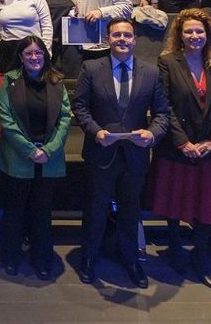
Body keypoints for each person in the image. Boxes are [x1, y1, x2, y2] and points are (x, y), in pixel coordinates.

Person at [72, 18, 170, 289]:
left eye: (127, 35)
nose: (122, 39)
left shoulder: (151, 72)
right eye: (117, 35)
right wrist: (95, 132)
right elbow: (80, 107)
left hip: (135, 156)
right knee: (95, 209)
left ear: (135, 40)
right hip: (100, 152)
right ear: (109, 39)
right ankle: (89, 259)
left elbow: (162, 114)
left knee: (130, 211)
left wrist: (152, 135)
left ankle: (131, 261)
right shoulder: (91, 68)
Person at [146, 10, 211, 288]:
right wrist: (183, 142)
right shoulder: (167, 62)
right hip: (176, 147)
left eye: (200, 32)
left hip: (207, 149)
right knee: (173, 203)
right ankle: (175, 251)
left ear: (208, 35)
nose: (195, 36)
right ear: (179, 35)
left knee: (205, 208)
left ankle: (201, 256)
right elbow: (163, 105)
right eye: (189, 32)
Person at [0, 35, 72, 279]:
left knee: (42, 211)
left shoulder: (57, 81)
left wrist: (48, 150)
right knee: (14, 210)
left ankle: (42, 258)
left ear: (45, 55)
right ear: (20, 57)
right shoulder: (10, 81)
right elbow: (6, 120)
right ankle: (11, 255)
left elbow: (65, 118)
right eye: (28, 53)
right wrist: (31, 151)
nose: (34, 57)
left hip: (49, 158)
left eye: (38, 53)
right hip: (18, 157)